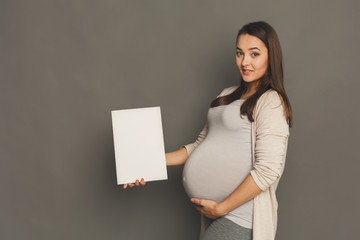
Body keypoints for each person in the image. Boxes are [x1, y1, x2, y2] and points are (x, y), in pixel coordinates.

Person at [123, 21, 292, 240]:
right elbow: (199, 147)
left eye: (254, 54)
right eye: (239, 53)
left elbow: (268, 169)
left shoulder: (271, 102)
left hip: (239, 216)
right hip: (214, 213)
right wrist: (146, 163)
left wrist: (223, 208)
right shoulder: (227, 94)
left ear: (271, 57)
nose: (245, 62)